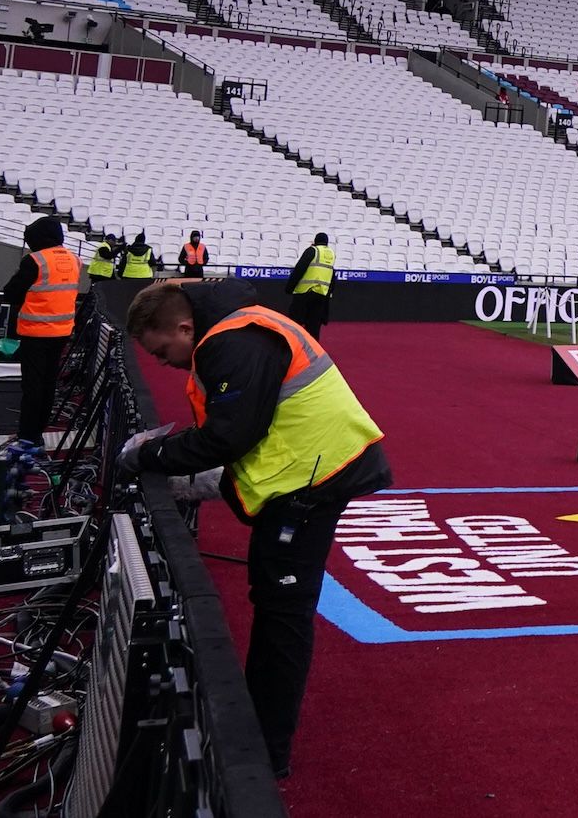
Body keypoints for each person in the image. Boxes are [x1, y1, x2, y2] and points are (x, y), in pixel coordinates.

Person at [115, 277, 390, 780]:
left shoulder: (233, 340)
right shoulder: (237, 329)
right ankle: (260, 729)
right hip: (307, 473)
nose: (165, 363)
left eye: (162, 351)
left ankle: (264, 752)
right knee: (274, 602)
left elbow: (226, 436)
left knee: (283, 612)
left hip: (315, 479)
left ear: (183, 326)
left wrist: (148, 456)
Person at [0, 216, 81, 445]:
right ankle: (39, 432)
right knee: (48, 384)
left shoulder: (35, 260)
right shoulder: (75, 259)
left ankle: (28, 435)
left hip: (36, 332)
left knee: (32, 386)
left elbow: (11, 293)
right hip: (62, 331)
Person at [287, 233, 335, 338]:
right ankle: (312, 351)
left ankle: (293, 348)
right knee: (314, 327)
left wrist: (289, 288)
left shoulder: (312, 251)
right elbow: (332, 275)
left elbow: (299, 269)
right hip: (321, 294)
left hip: (304, 292)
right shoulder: (331, 254)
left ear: (315, 241)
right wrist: (329, 292)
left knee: (295, 324)